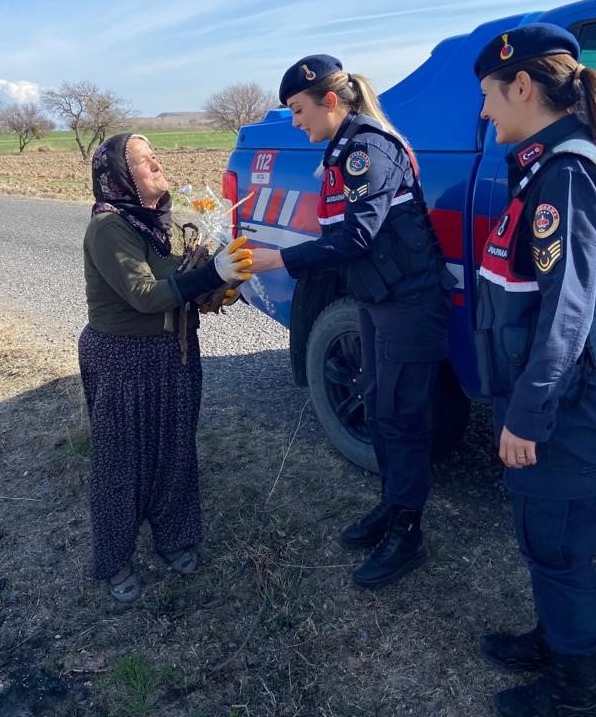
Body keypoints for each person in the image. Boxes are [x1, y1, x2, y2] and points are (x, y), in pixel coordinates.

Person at [473, 23, 596, 717]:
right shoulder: (548, 164)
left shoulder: (565, 171)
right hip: (549, 390)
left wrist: (528, 415)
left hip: (563, 400)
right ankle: (552, 640)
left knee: (560, 541)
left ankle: (578, 689)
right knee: (541, 529)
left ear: (521, 85)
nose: (484, 113)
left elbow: (566, 314)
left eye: (488, 95)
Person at [250, 55, 454, 589]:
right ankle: (393, 506)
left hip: (408, 303)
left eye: (298, 110)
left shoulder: (368, 150)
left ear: (331, 101)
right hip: (377, 298)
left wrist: (280, 259)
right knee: (380, 409)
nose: (295, 122)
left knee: (403, 418)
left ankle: (408, 534)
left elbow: (358, 237)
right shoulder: (344, 149)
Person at [78, 132, 252, 605]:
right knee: (121, 464)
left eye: (155, 155)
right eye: (142, 160)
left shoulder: (162, 222)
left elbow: (180, 281)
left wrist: (218, 281)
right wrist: (212, 274)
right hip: (122, 360)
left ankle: (174, 537)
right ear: (119, 177)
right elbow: (147, 295)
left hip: (174, 352)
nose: (156, 163)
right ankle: (115, 560)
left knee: (176, 451)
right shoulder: (109, 228)